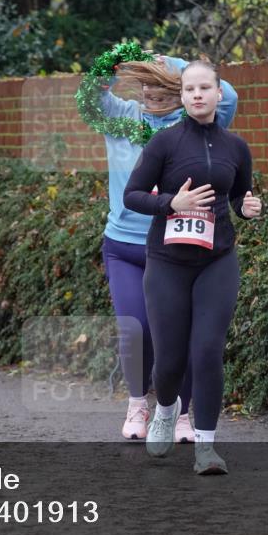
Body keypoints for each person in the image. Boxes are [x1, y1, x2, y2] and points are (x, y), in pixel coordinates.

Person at [124, 59, 261, 474]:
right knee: (168, 361)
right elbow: (133, 196)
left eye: (205, 88)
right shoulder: (164, 143)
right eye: (190, 90)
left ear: (220, 94)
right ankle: (166, 408)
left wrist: (249, 207)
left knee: (207, 351)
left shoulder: (236, 147)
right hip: (167, 262)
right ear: (182, 98)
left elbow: (240, 196)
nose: (197, 95)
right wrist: (171, 203)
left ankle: (206, 446)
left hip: (217, 260)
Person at [97, 56, 238, 441]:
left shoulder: (194, 125)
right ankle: (137, 404)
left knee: (184, 336)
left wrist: (173, 64)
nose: (152, 95)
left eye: (162, 88)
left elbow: (229, 95)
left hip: (179, 246)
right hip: (125, 244)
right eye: (147, 87)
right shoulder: (121, 118)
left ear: (178, 91)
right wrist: (120, 59)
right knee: (137, 329)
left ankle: (181, 414)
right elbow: (89, 95)